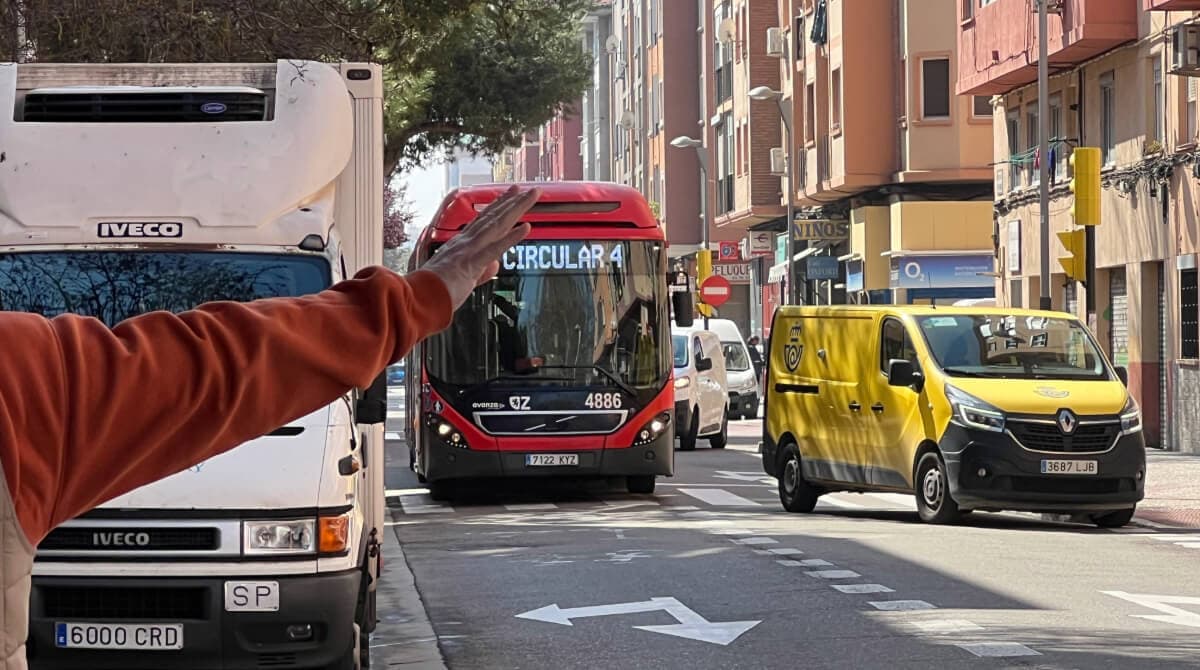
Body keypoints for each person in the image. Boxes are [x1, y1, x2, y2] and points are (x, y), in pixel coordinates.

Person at [0, 185, 541, 666]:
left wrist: (415, 300)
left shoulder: (22, 381)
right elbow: (222, 365)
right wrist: (416, 300)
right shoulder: (21, 380)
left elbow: (217, 363)